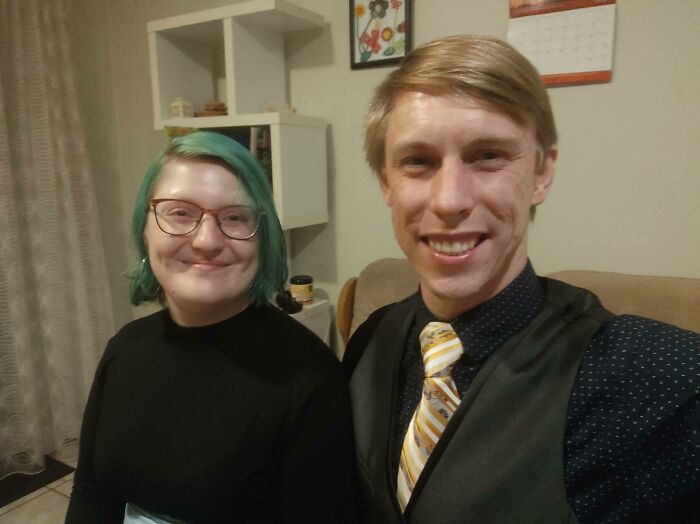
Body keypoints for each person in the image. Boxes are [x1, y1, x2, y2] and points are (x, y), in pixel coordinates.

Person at [343, 35, 699, 523]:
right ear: (386, 181)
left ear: (541, 174)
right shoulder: (370, 341)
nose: (449, 201)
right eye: (418, 161)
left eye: (488, 155)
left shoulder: (649, 377)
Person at [66, 131, 360, 523]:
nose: (206, 241)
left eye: (235, 217)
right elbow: (91, 492)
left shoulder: (310, 380)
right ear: (145, 230)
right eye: (180, 213)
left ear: (263, 240)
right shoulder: (124, 348)